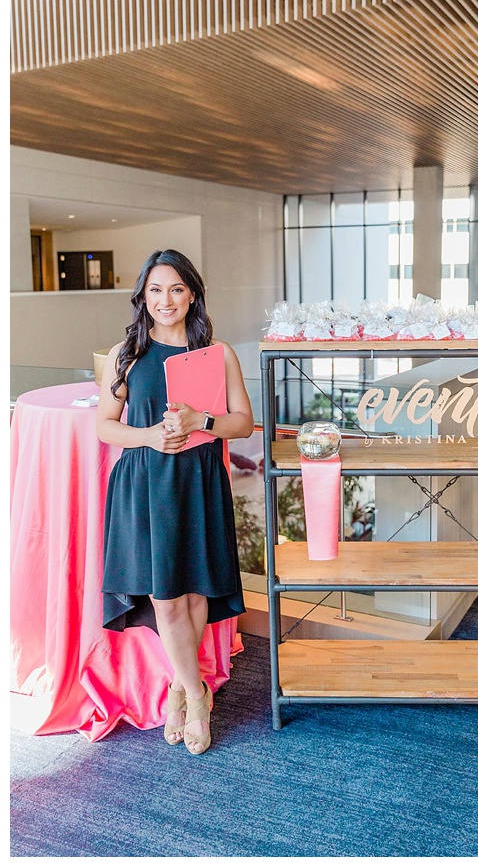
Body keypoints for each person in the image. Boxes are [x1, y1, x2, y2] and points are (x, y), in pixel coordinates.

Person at [97, 249, 254, 756]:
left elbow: (243, 423)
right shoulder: (125, 353)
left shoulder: (216, 353)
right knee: (165, 596)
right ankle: (195, 692)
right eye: (156, 290)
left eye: (177, 289)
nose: (166, 300)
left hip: (198, 480)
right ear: (143, 296)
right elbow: (105, 427)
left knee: (194, 591)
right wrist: (148, 435)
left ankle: (181, 688)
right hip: (145, 484)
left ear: (192, 295)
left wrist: (200, 421)